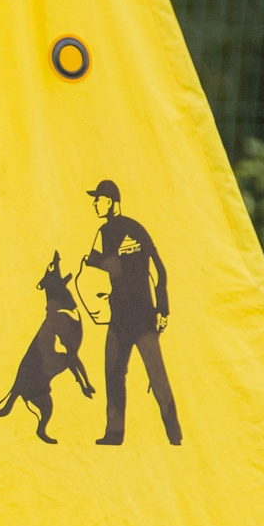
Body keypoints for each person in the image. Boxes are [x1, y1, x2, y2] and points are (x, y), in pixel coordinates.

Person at [81, 179, 182, 446]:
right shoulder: (134, 228)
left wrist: (102, 264)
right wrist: (163, 308)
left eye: (98, 198)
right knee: (134, 374)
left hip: (131, 318)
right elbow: (159, 268)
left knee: (124, 374)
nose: (94, 203)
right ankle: (164, 435)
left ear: (112, 202)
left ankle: (124, 434)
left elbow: (90, 267)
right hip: (133, 316)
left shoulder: (110, 232)